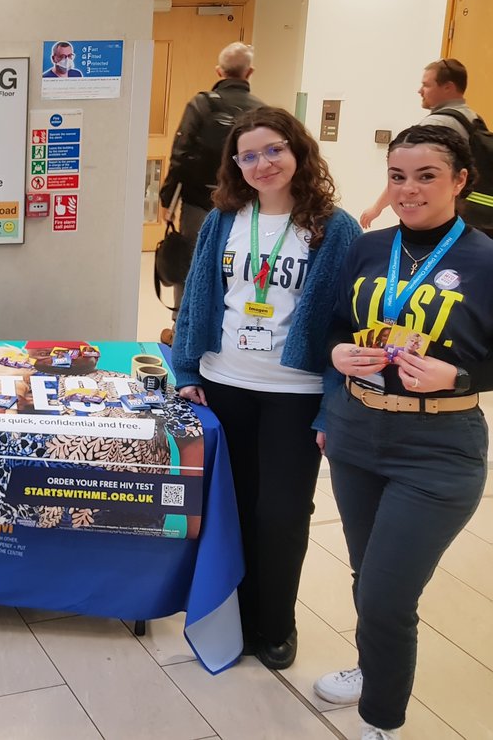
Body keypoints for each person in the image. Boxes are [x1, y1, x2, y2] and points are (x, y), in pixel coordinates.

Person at [314, 123, 491, 740]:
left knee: (389, 595)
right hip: (357, 433)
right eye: (397, 176)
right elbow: (336, 324)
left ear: (460, 180)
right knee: (369, 575)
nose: (408, 190)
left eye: (426, 176)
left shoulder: (485, 259)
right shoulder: (368, 249)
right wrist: (337, 354)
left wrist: (460, 375)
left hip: (439, 450)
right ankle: (373, 666)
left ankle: (381, 721)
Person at [172, 106, 361, 670]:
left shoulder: (334, 225)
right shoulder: (225, 219)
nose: (262, 163)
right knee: (232, 508)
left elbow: (344, 323)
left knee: (280, 513)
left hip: (295, 392)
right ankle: (235, 615)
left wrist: (333, 408)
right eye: (248, 155)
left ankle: (275, 623)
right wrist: (185, 372)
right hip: (224, 382)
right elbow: (198, 300)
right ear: (235, 164)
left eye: (273, 149)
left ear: (298, 149)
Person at [159, 42, 264, 312]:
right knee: (234, 261)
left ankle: (182, 319)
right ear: (249, 72)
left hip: (197, 202)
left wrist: (167, 200)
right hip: (243, 203)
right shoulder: (261, 111)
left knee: (191, 260)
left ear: (219, 71)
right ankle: (225, 316)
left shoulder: (201, 104)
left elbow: (180, 155)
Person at [360, 59, 484, 228]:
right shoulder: (472, 117)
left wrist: (376, 208)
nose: (420, 91)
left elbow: (407, 172)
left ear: (448, 87)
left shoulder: (437, 125)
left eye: (426, 85)